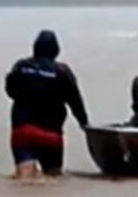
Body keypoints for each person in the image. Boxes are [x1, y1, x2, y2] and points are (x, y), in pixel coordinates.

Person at [5, 30, 89, 180]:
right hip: (51, 136)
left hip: (23, 131)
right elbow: (76, 103)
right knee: (54, 179)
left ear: (35, 48)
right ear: (56, 51)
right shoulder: (63, 72)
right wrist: (84, 124)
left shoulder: (21, 66)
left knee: (24, 180)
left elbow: (10, 91)